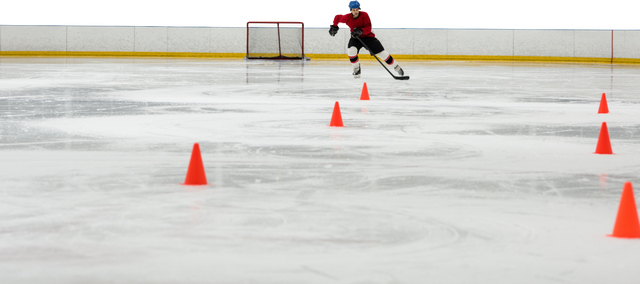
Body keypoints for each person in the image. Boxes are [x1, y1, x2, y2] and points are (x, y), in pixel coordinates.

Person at [329, 0, 404, 78]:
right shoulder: (347, 17)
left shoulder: (365, 15)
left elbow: (368, 27)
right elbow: (338, 19)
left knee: (382, 53)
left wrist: (361, 31)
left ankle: (396, 67)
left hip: (368, 37)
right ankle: (356, 69)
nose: (355, 12)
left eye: (357, 9)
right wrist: (334, 27)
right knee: (351, 51)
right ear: (350, 10)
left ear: (359, 9)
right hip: (356, 38)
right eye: (353, 10)